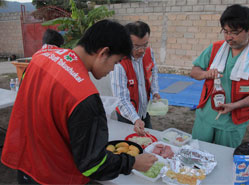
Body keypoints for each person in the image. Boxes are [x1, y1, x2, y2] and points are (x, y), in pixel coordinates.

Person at [1, 19, 157, 184]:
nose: (113, 69)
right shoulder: (85, 97)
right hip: (53, 175)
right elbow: (93, 165)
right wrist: (132, 162)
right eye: (116, 62)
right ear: (103, 53)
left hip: (26, 163)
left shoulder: (40, 58)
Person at [190, 4, 249, 148]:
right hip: (206, 117)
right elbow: (194, 71)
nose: (229, 37)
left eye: (234, 32)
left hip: (232, 122)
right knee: (196, 153)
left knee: (225, 160)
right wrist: (204, 74)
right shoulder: (215, 48)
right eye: (225, 31)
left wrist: (235, 105)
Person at [110, 21, 160, 136]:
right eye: (136, 46)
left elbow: (153, 71)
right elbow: (120, 98)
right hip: (127, 116)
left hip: (144, 110)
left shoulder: (148, 52)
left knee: (149, 140)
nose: (141, 50)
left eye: (145, 44)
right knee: (130, 145)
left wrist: (155, 90)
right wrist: (135, 119)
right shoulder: (119, 63)